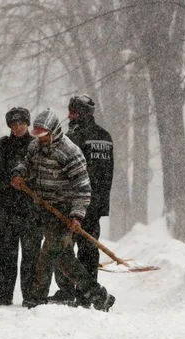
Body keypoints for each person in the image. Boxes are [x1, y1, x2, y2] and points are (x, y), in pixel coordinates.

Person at [10, 108, 115, 312]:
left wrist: (77, 215)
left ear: (54, 131)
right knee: (64, 259)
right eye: (38, 136)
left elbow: (83, 188)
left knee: (47, 255)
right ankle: (100, 296)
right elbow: (27, 165)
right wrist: (19, 174)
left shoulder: (70, 152)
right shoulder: (35, 147)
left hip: (64, 211)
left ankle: (36, 299)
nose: (41, 140)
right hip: (45, 209)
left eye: (44, 136)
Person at [48, 95, 114, 307]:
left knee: (64, 248)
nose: (69, 115)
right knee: (89, 248)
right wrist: (101, 203)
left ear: (82, 113)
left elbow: (67, 172)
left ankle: (67, 290)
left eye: (73, 112)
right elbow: (107, 174)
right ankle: (86, 294)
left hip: (73, 202)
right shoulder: (105, 136)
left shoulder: (73, 138)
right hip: (95, 204)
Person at [0, 107, 42, 306]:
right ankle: (3, 295)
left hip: (31, 211)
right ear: (9, 126)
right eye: (14, 125)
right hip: (6, 210)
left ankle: (31, 296)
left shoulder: (38, 146)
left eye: (21, 124)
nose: (18, 128)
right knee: (7, 256)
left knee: (31, 256)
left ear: (28, 124)